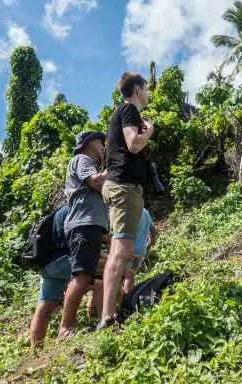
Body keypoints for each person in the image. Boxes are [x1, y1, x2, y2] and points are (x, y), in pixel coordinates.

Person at [99, 72, 154, 329]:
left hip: (123, 186)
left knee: (124, 251)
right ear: (138, 89)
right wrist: (149, 133)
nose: (149, 92)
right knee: (120, 252)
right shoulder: (129, 109)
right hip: (123, 187)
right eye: (146, 88)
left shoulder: (122, 113)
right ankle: (107, 317)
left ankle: (114, 311)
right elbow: (133, 144)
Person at [57, 131, 109, 340]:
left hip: (90, 225)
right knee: (82, 276)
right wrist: (114, 165)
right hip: (84, 224)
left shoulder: (88, 162)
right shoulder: (82, 159)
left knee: (86, 275)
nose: (103, 146)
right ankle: (64, 328)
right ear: (88, 144)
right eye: (100, 142)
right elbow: (96, 182)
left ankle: (90, 319)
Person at [86, 208, 156, 318]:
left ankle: (119, 309)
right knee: (128, 276)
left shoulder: (122, 210)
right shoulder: (145, 212)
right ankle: (127, 307)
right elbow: (153, 231)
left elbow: (113, 233)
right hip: (139, 252)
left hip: (124, 250)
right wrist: (149, 246)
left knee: (117, 279)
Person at [29, 205, 70, 347]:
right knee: (104, 277)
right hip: (63, 261)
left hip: (47, 262)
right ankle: (107, 322)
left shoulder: (59, 211)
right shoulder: (78, 209)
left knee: (45, 306)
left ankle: (36, 350)